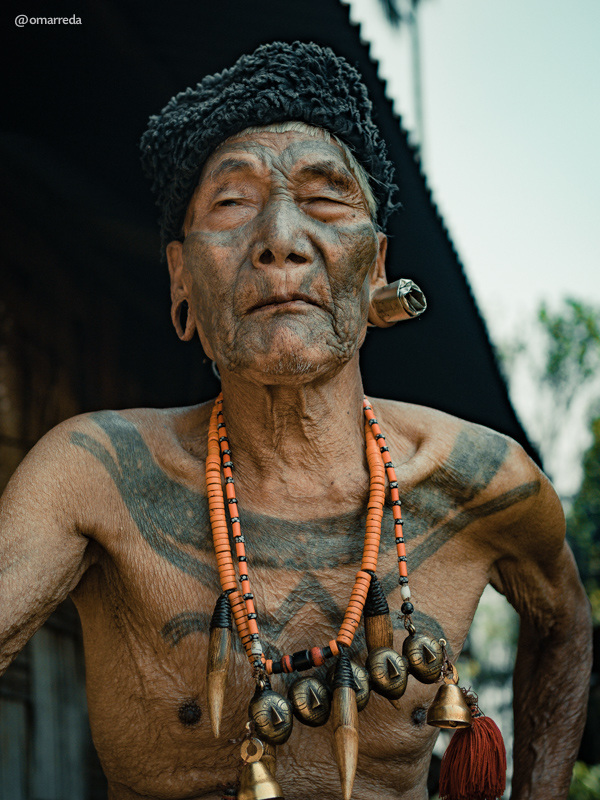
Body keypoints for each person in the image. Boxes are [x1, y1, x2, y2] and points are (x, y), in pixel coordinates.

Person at [0, 41, 591, 800]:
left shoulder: (483, 480)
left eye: (324, 199)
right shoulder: (96, 478)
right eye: (232, 203)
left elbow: (566, 626)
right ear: (182, 281)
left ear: (375, 269)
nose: (280, 237)